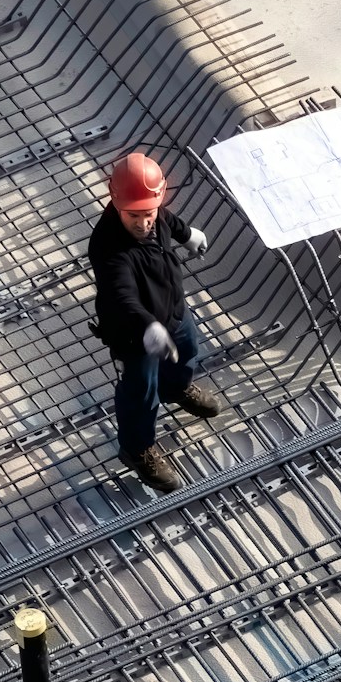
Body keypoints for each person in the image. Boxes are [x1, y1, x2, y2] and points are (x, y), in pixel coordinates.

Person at [89, 151, 224, 491]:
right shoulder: (108, 248)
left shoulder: (153, 211)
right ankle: (137, 450)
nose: (143, 223)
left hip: (173, 309)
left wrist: (186, 233)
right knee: (140, 392)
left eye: (147, 213)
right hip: (136, 333)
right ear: (116, 203)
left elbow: (165, 218)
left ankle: (176, 388)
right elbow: (122, 295)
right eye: (133, 215)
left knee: (187, 350)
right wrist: (148, 326)